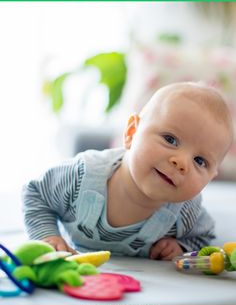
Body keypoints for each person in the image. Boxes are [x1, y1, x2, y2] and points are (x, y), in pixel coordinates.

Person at [23, 82, 233, 260]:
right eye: (170, 139)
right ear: (132, 132)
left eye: (200, 161)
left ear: (211, 176)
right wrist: (47, 236)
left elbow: (204, 236)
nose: (181, 163)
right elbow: (36, 194)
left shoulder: (185, 212)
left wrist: (179, 247)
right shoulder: (81, 175)